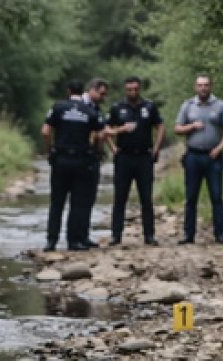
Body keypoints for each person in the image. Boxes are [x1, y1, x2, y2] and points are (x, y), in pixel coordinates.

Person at [41, 80, 103, 251]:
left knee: (57, 203)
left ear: (68, 91)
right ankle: (73, 241)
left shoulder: (58, 107)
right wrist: (97, 152)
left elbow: (45, 132)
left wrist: (49, 150)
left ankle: (51, 241)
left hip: (61, 159)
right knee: (77, 203)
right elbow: (101, 135)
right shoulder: (90, 110)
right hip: (81, 161)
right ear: (82, 92)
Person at [175, 74, 223, 244]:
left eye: (206, 85)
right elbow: (177, 128)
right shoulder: (188, 105)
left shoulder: (220, 105)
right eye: (200, 85)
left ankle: (219, 234)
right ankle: (188, 235)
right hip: (193, 155)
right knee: (191, 196)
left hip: (213, 155)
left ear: (211, 86)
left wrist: (220, 147)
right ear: (195, 87)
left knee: (216, 196)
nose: (203, 88)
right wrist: (191, 126)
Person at [106, 76, 164, 246]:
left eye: (135, 89)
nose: (133, 92)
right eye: (129, 89)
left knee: (146, 197)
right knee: (120, 197)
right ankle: (116, 235)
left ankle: (149, 235)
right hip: (124, 156)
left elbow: (160, 126)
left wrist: (157, 148)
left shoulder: (149, 106)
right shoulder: (117, 107)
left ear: (140, 89)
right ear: (125, 90)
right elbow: (107, 129)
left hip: (144, 157)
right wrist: (113, 147)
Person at [71, 78, 110, 249]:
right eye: (101, 94)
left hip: (92, 157)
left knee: (89, 198)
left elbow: (100, 133)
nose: (103, 98)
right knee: (78, 200)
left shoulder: (96, 108)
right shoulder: (80, 106)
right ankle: (74, 238)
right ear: (92, 90)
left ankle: (83, 235)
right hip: (78, 157)